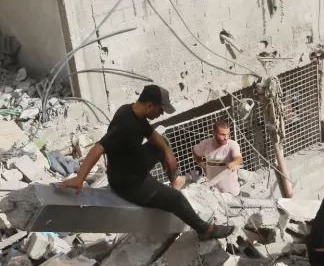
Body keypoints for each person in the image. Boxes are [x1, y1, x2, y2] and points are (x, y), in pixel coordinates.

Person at [58, 84, 233, 240]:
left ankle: (175, 181)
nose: (161, 114)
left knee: (163, 144)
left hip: (132, 165)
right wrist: (80, 178)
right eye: (161, 110)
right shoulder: (126, 125)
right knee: (177, 200)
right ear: (150, 105)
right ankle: (205, 230)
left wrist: (168, 153)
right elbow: (98, 148)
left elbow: (151, 134)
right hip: (129, 183)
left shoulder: (132, 111)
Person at [192, 120, 243, 196]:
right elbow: (195, 152)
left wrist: (233, 163)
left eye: (228, 134)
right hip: (213, 192)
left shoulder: (232, 145)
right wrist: (203, 167)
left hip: (231, 194)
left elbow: (239, 159)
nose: (226, 138)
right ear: (214, 133)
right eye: (222, 134)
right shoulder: (205, 144)